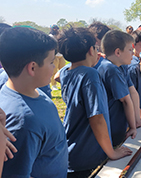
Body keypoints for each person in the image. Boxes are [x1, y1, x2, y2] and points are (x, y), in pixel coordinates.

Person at [57, 27, 131, 177]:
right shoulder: (90, 75)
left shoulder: (66, 72)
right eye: (96, 49)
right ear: (92, 50)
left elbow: (57, 76)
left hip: (71, 148)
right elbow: (97, 118)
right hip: (87, 155)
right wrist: (112, 152)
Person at [0, 27, 68, 177]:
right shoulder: (24, 121)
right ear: (32, 67)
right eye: (51, 62)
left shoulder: (32, 92)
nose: (54, 67)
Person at [97, 30, 138, 146]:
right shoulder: (112, 70)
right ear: (118, 52)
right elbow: (125, 100)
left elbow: (133, 93)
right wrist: (133, 127)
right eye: (130, 50)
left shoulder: (116, 67)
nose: (133, 53)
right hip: (113, 126)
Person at [49, 24, 66, 90]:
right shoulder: (51, 36)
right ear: (51, 29)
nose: (56, 29)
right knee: (54, 70)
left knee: (63, 69)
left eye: (56, 28)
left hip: (61, 55)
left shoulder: (59, 36)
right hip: (55, 55)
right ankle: (54, 85)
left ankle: (63, 84)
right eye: (54, 28)